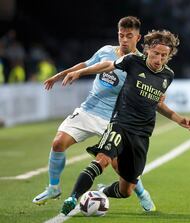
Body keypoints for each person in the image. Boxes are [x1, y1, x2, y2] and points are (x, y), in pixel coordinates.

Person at [59, 29, 190, 215]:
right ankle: (72, 197)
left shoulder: (167, 76)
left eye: (164, 55)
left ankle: (100, 192)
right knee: (103, 160)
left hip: (142, 135)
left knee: (126, 190)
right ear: (147, 50)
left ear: (169, 56)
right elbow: (106, 66)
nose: (159, 59)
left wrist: (178, 119)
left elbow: (157, 103)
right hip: (120, 124)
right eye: (156, 54)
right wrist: (80, 72)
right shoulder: (132, 62)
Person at [32, 16, 157, 211]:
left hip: (114, 120)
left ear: (138, 37)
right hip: (88, 110)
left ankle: (142, 194)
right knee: (58, 143)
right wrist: (60, 75)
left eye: (129, 36)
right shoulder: (106, 51)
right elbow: (85, 64)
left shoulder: (140, 63)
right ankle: (53, 188)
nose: (124, 39)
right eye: (121, 35)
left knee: (121, 169)